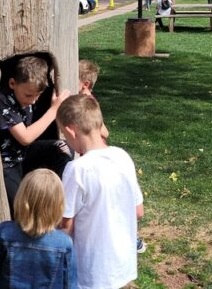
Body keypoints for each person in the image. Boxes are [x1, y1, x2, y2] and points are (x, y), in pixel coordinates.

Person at [58, 95, 144, 289]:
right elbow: (138, 212)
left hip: (92, 273)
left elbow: (66, 225)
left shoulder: (76, 169)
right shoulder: (123, 157)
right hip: (123, 267)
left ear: (72, 130)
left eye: (64, 134)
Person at [0, 169, 77, 289]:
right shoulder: (64, 243)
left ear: (22, 197)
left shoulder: (5, 233)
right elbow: (70, 285)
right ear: (58, 204)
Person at [0, 56, 70, 214]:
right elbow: (25, 138)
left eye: (37, 96)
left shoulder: (28, 95)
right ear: (12, 84)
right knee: (21, 210)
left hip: (25, 153)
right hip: (8, 162)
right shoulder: (4, 100)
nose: (33, 101)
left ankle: (56, 197)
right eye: (28, 95)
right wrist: (53, 110)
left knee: (63, 148)